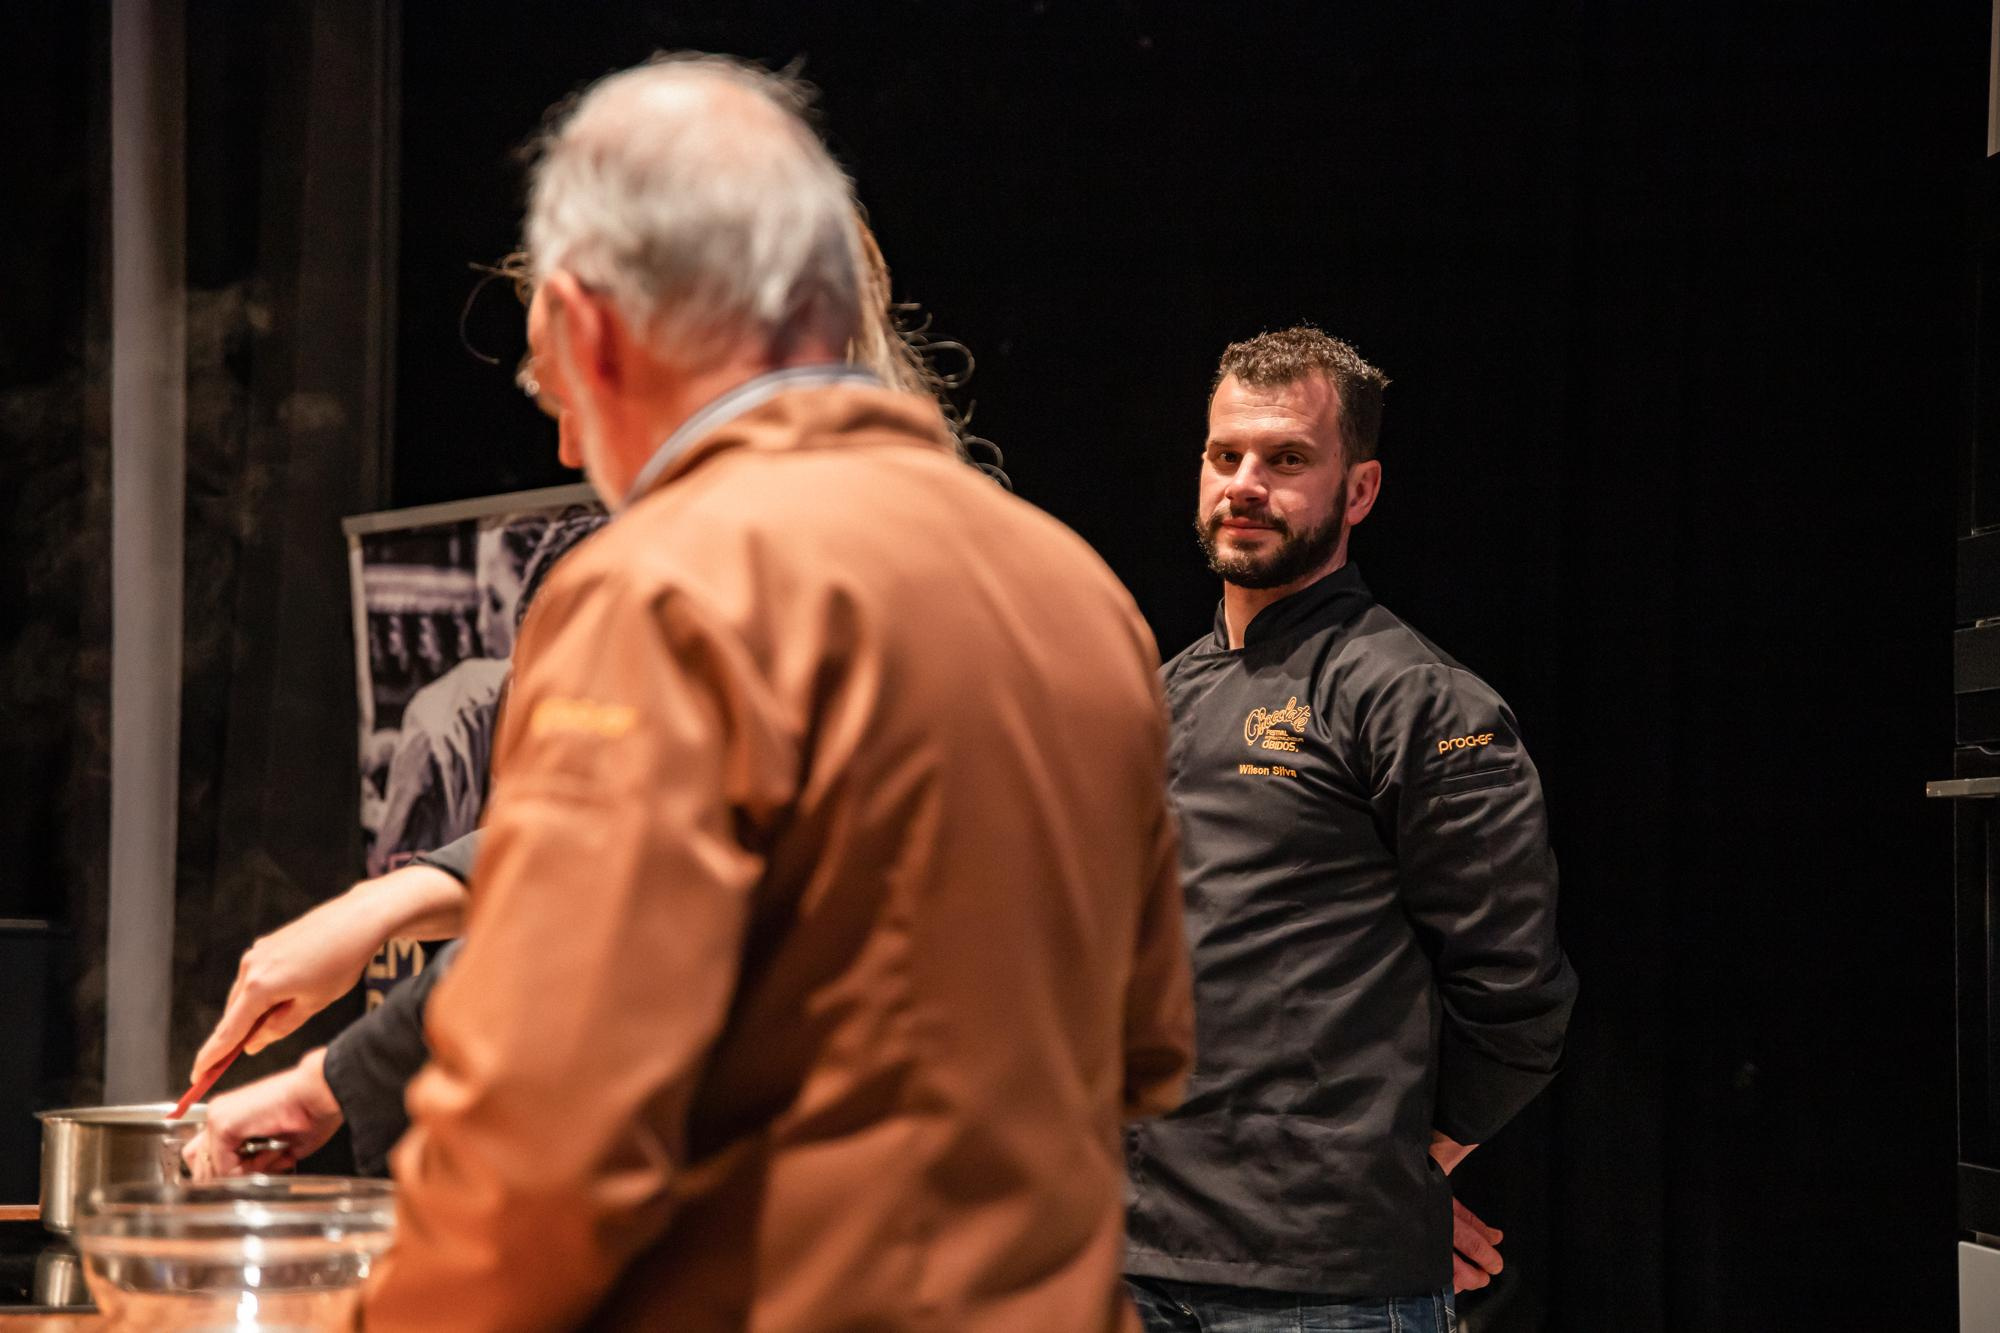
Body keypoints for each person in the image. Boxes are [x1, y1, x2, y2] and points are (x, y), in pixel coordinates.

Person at [354, 54, 1188, 1332]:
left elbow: (541, 1139)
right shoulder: (1081, 595)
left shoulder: (657, 589)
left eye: (547, 390)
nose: (567, 443)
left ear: (586, 328)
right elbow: (1147, 1046)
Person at [183, 210, 1011, 1186]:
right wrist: (390, 904)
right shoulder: (1015, 573)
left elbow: (606, 900)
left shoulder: (727, 591)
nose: (570, 448)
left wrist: (323, 1085)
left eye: (573, 392)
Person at [1121, 327, 1577, 1332]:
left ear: (1358, 490)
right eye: (1223, 455)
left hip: (1319, 1288)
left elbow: (1516, 996)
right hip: (1128, 1254)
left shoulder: (1416, 697)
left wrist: (1398, 1171)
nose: (1244, 483)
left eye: (1286, 459)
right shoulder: (1157, 692)